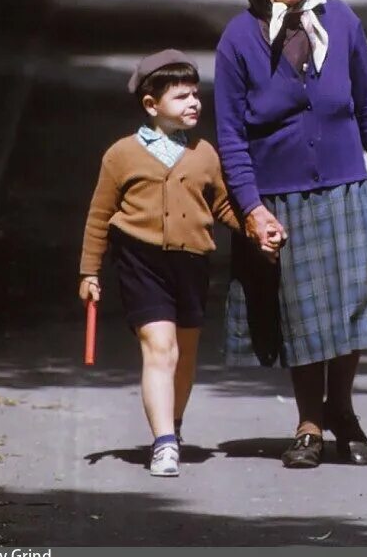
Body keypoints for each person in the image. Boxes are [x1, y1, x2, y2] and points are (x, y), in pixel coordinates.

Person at [214, 0, 367, 469]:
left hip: (346, 187)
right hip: (281, 196)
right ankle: (308, 423)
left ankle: (341, 411)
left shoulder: (341, 20)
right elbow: (231, 135)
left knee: (350, 309)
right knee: (301, 316)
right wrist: (252, 208)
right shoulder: (238, 38)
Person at [77, 49, 278, 477]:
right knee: (160, 349)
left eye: (196, 95)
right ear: (151, 105)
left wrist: (256, 227)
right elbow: (99, 215)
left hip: (192, 264)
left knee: (184, 355)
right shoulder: (121, 155)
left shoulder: (205, 154)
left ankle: (175, 424)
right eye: (182, 97)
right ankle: (164, 442)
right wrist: (90, 271)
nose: (194, 103)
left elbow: (224, 205)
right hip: (140, 260)